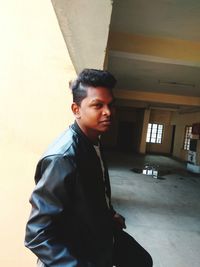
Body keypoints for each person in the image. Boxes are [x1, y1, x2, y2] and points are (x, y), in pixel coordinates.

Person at [25, 69, 153, 267]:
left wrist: (109, 215)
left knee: (141, 261)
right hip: (73, 253)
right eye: (97, 105)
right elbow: (37, 234)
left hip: (97, 235)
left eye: (110, 105)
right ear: (76, 109)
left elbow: (92, 191)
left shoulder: (94, 141)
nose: (108, 112)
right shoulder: (63, 158)